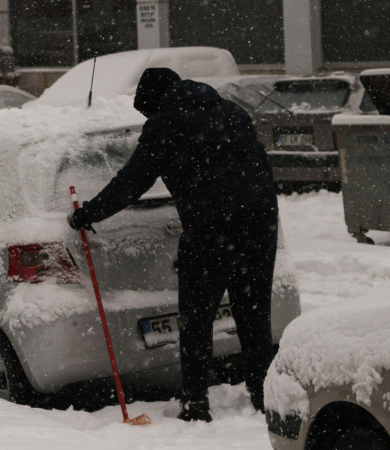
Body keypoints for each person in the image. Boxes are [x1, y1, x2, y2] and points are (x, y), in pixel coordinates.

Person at [67, 68, 278, 422]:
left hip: (211, 227)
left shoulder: (166, 124)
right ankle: (263, 395)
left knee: (197, 318)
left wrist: (89, 213)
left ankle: (195, 403)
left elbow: (133, 180)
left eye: (147, 111)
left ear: (154, 101)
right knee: (254, 314)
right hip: (260, 220)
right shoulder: (231, 111)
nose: (149, 117)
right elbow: (258, 164)